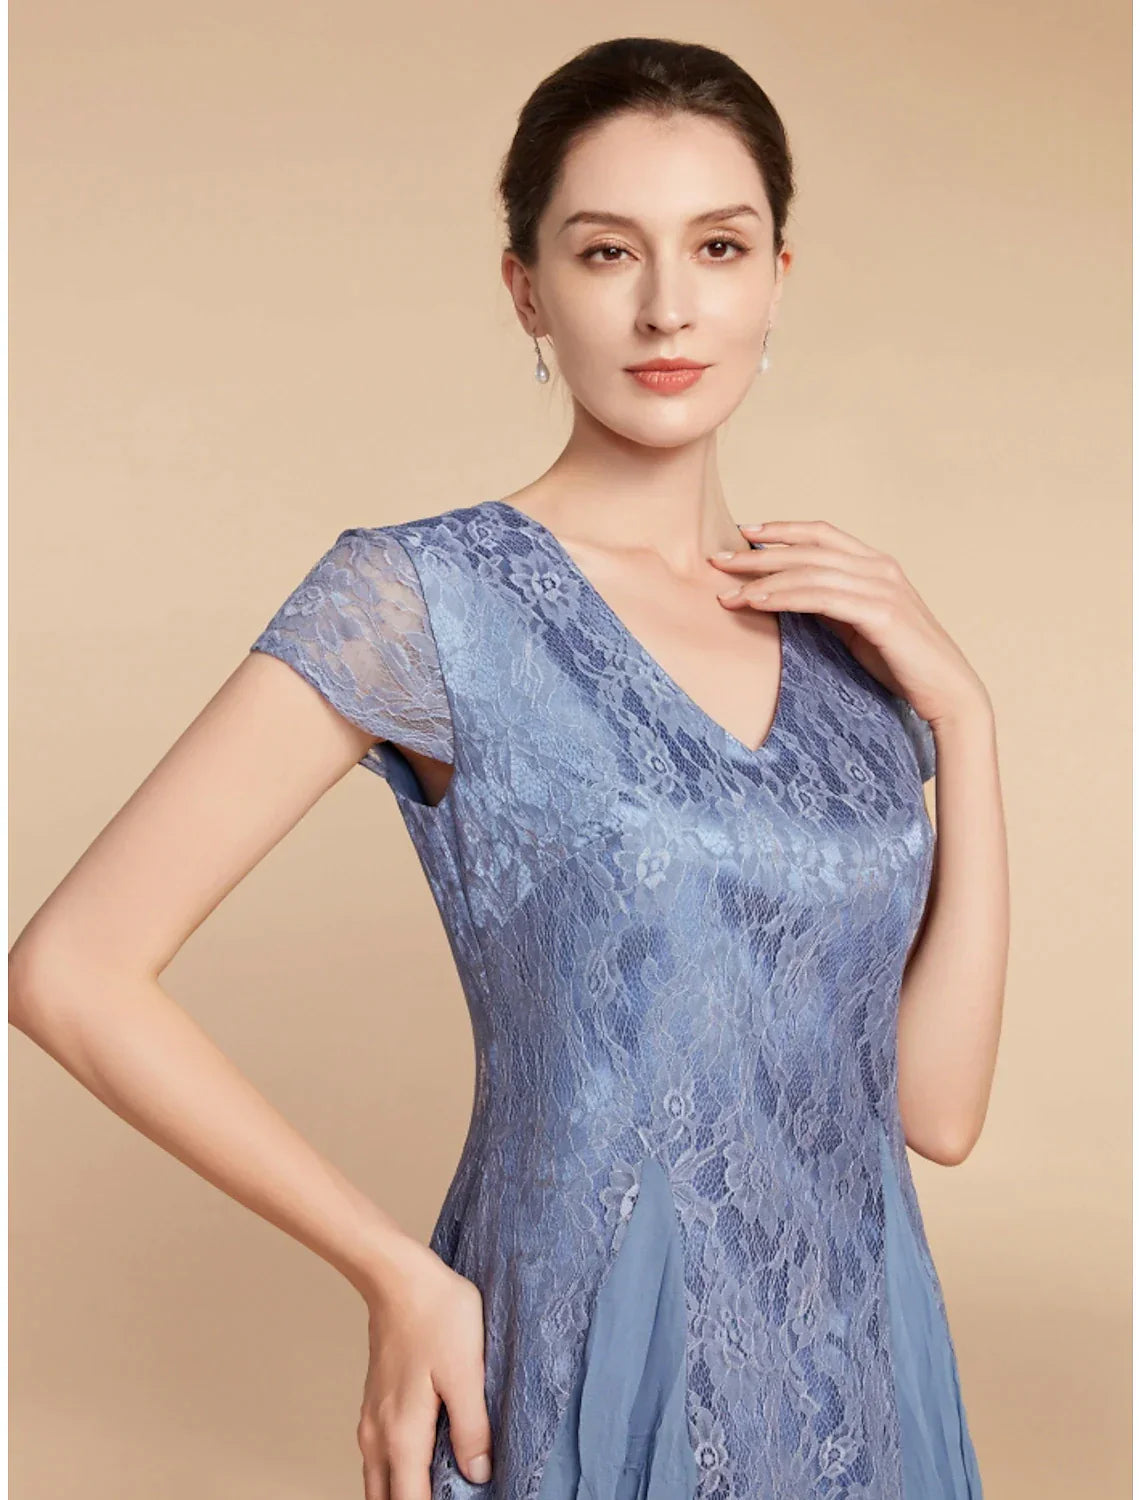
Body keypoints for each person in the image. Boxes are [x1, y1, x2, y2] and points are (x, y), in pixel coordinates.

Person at [8, 34, 1008, 1500]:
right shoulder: (428, 599)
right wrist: (390, 1268)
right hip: (585, 1355)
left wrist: (966, 722)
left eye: (718, 247)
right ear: (527, 289)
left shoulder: (858, 649)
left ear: (777, 279)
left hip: (865, 1381)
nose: (668, 306)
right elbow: (69, 971)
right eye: (607, 252)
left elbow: (934, 1110)